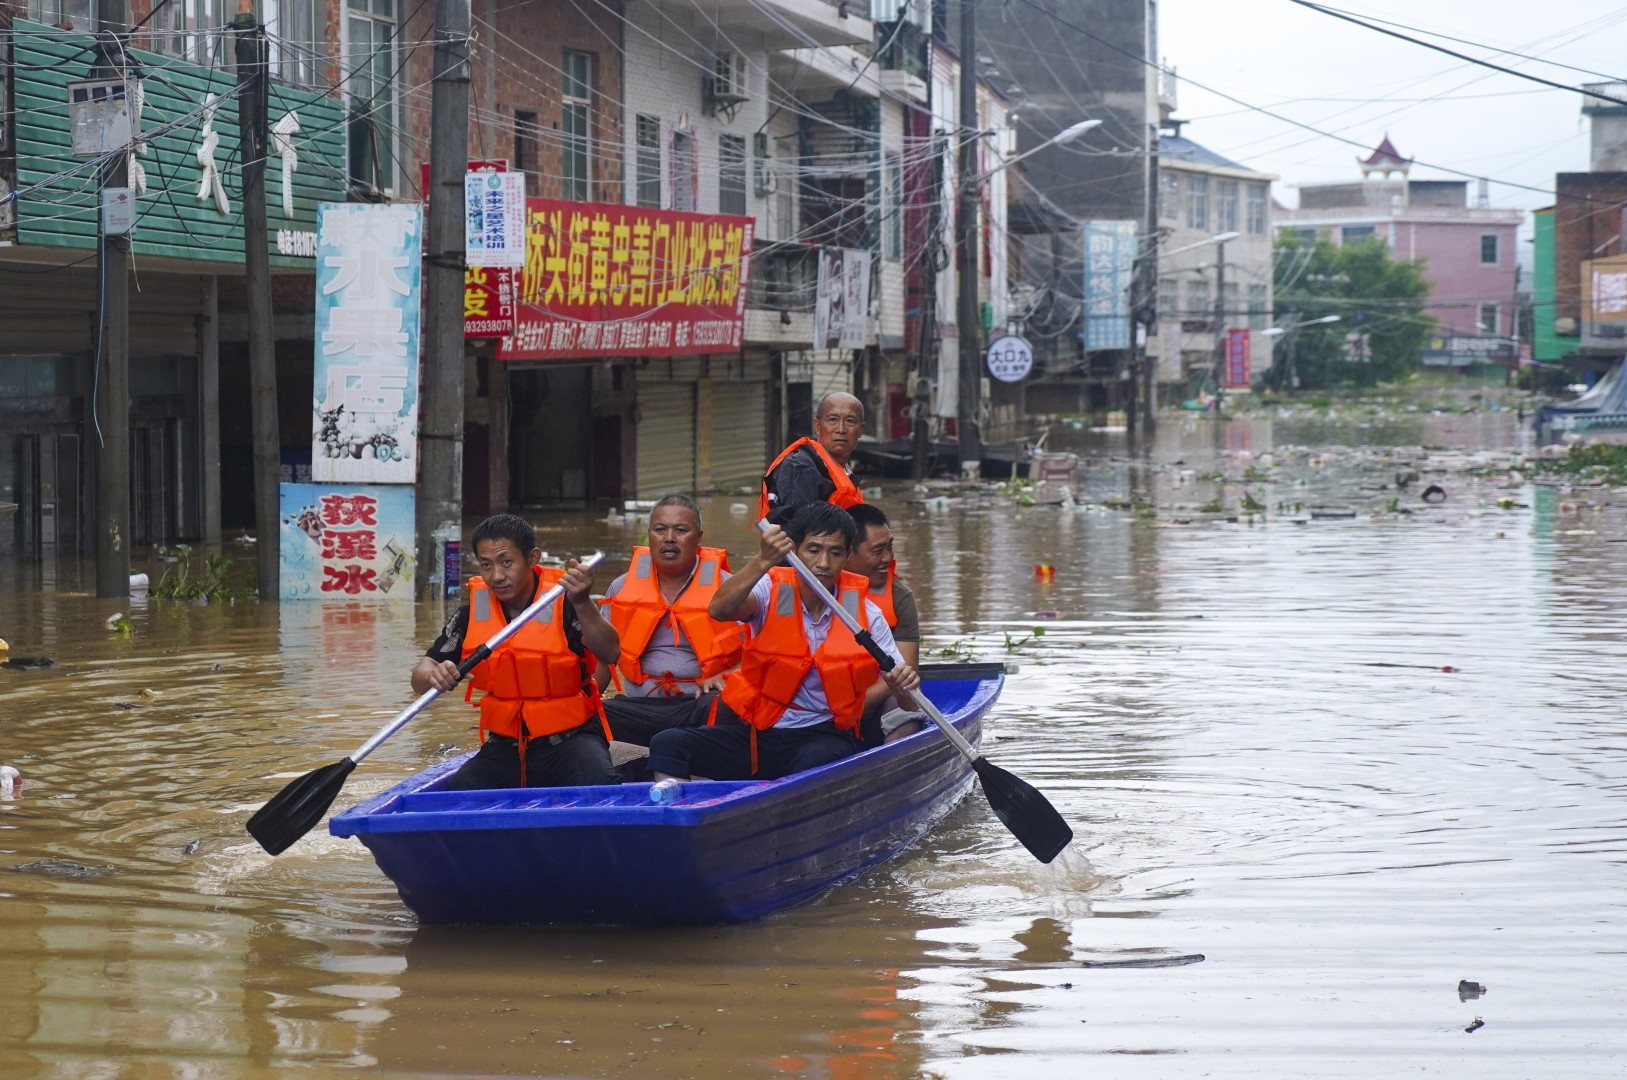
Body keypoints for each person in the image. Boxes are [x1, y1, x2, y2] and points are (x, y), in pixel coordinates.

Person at [646, 502, 920, 782]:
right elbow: (719, 609)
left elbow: (909, 702)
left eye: (835, 552)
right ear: (795, 551)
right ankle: (680, 811)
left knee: (814, 763)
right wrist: (762, 560)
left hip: (823, 734)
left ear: (848, 557)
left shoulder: (867, 617)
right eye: (813, 550)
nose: (823, 564)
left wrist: (902, 689)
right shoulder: (769, 589)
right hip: (759, 735)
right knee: (668, 743)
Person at [411, 513, 621, 790]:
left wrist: (582, 602)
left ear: (533, 558)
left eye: (506, 562)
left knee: (601, 785)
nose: (497, 576)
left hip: (573, 739)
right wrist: (434, 675)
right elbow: (419, 677)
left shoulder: (567, 604)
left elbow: (612, 652)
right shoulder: (470, 615)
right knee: (459, 793)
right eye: (486, 565)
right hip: (507, 745)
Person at [597, 494, 745, 747]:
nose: (669, 539)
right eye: (660, 529)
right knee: (588, 715)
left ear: (698, 538)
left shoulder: (729, 589)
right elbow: (603, 655)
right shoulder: (620, 587)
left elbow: (759, 655)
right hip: (640, 707)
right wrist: (588, 697)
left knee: (725, 705)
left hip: (698, 705)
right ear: (649, 535)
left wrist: (726, 676)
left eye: (681, 530)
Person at [845, 503, 926, 744]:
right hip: (819, 705)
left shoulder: (899, 597)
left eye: (890, 547)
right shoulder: (818, 589)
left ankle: (885, 765)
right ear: (848, 553)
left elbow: (904, 675)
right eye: (878, 550)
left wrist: (847, 709)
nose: (888, 558)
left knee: (910, 709)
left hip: (872, 704)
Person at [757, 391, 866, 524]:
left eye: (850, 421)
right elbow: (798, 534)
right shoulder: (801, 467)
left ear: (861, 430)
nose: (841, 429)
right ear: (817, 427)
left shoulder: (842, 472)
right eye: (833, 420)